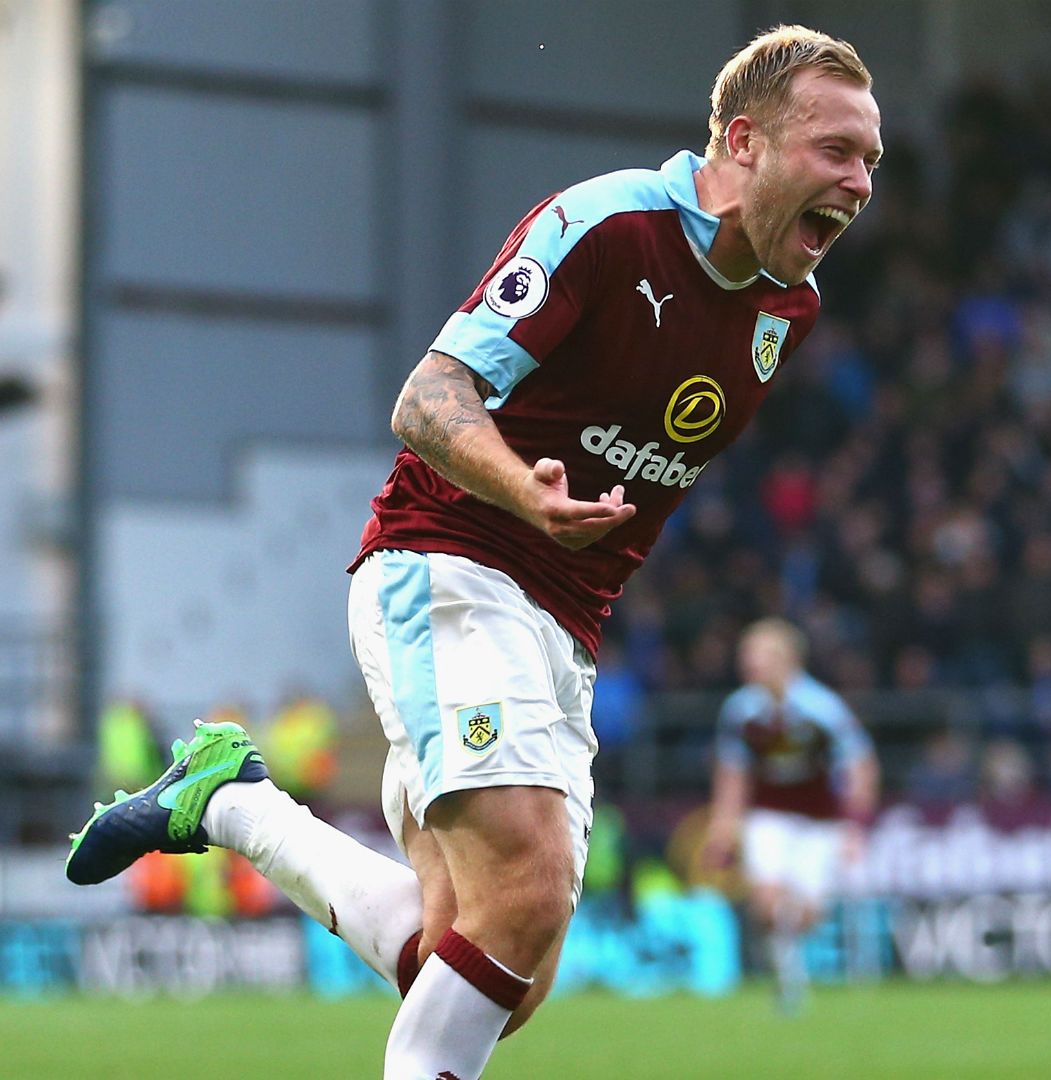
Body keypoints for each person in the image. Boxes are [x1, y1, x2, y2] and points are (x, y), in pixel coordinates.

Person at [67, 24, 880, 1080]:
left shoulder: (790, 307)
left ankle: (227, 802)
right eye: (837, 151)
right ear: (743, 140)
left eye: (872, 161)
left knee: (492, 968)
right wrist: (522, 489)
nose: (860, 183)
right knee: (530, 892)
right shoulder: (607, 226)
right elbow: (429, 397)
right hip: (449, 560)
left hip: (563, 626)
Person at [702, 617, 878, 1014]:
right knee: (765, 903)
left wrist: (855, 826)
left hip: (820, 822)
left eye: (757, 656)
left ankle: (787, 965)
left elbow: (859, 765)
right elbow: (733, 774)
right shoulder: (741, 711)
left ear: (785, 659)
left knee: (808, 914)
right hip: (770, 815)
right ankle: (788, 983)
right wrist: (722, 828)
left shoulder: (822, 709)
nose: (748, 665)